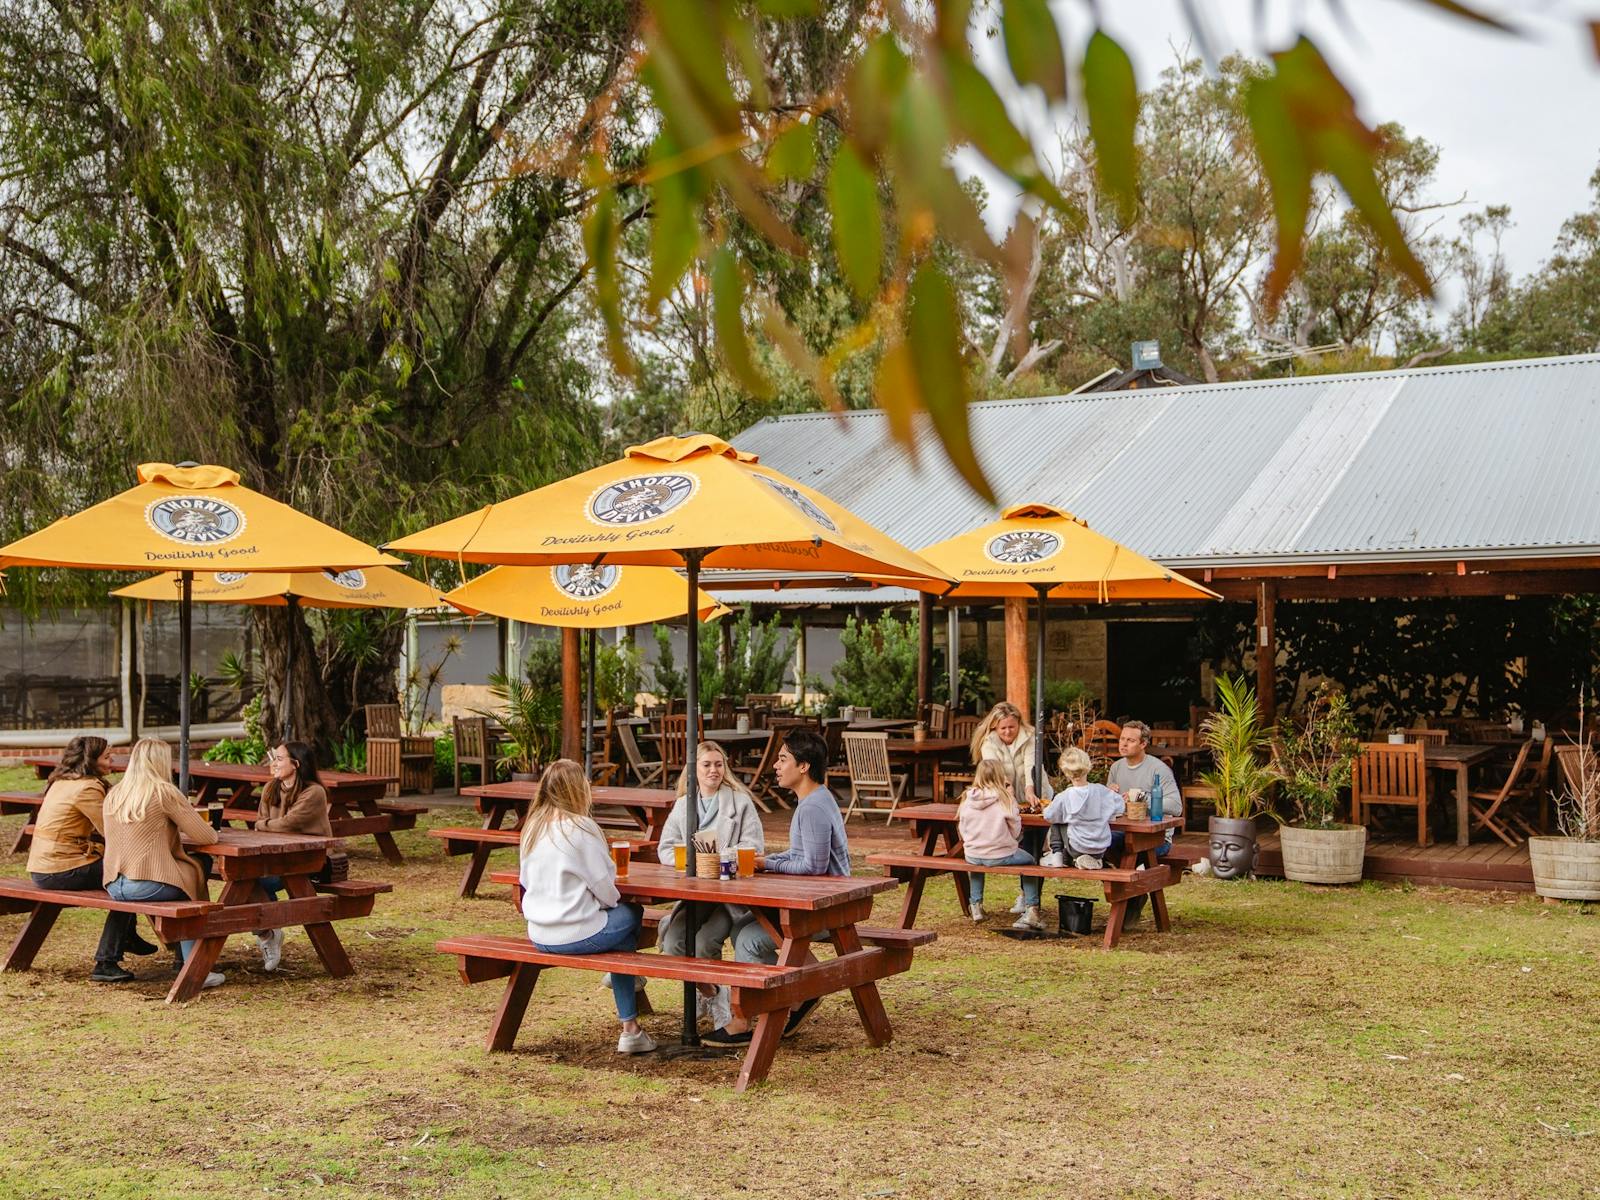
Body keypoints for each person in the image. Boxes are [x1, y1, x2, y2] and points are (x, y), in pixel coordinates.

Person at [706, 727, 846, 1045]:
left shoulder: (811, 808)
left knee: (750, 941)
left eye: (783, 759)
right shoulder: (816, 800)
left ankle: (749, 1021)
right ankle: (801, 995)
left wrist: (767, 864)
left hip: (825, 908)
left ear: (804, 766)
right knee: (743, 929)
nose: (776, 766)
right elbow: (801, 856)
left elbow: (812, 867)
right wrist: (766, 859)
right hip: (818, 902)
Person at [518, 758, 655, 1055]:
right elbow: (606, 887)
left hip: (539, 934)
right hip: (577, 932)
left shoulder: (532, 828)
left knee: (621, 935)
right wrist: (607, 904)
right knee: (632, 915)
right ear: (577, 789)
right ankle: (629, 1024)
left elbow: (525, 881)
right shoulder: (581, 827)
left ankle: (626, 989)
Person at [26, 735, 157, 982]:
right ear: (91, 761)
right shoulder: (87, 788)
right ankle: (106, 961)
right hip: (61, 869)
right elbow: (113, 830)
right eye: (107, 757)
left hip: (44, 867)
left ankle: (126, 936)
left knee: (124, 875)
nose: (112, 761)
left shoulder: (62, 781)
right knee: (126, 882)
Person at [656, 741, 765, 1030]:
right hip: (695, 894)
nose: (714, 770)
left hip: (729, 898)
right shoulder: (683, 805)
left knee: (703, 944)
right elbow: (665, 848)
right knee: (673, 944)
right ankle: (713, 992)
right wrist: (692, 864)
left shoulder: (740, 802)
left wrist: (722, 861)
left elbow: (753, 847)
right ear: (694, 770)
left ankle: (719, 1002)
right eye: (707, 765)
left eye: (719, 764)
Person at [102, 737, 223, 989]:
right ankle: (193, 965)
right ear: (160, 762)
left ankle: (186, 959)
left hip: (115, 884)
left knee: (187, 876)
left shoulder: (115, 793)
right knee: (193, 879)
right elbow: (207, 836)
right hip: (146, 883)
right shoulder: (163, 792)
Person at [250, 741, 335, 972]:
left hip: (308, 863)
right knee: (244, 880)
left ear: (296, 764)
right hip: (275, 859)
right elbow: (264, 825)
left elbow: (288, 824)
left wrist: (265, 825)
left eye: (279, 758)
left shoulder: (314, 792)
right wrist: (266, 825)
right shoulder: (270, 788)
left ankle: (269, 931)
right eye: (274, 757)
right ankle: (269, 933)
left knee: (251, 882)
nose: (274, 763)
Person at [969, 701, 1054, 912]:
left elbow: (1030, 765)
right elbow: (996, 772)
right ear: (995, 728)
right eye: (1003, 728)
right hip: (1006, 796)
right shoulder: (989, 742)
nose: (1008, 731)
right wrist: (1008, 794)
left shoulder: (1030, 736)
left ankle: (1028, 897)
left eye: (1012, 727)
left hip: (1034, 793)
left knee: (1033, 845)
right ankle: (1028, 898)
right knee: (1021, 845)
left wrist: (1029, 789)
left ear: (1019, 724)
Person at [958, 759, 1044, 931]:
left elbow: (962, 827)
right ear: (1000, 776)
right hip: (1000, 854)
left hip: (972, 853)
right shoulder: (1005, 799)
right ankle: (1031, 909)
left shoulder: (968, 798)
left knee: (976, 864)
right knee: (1030, 862)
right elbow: (1015, 830)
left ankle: (976, 905)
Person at [1104, 720, 1183, 861]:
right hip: (1124, 832)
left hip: (1156, 838)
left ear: (1143, 744)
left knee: (1113, 845)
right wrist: (1107, 795)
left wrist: (1142, 797)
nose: (1124, 744)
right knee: (1098, 840)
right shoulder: (1116, 768)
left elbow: (1176, 807)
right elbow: (1112, 808)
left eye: (1130, 740)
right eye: (1122, 739)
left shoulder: (1159, 770)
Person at [1041, 747, 1126, 871]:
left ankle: (1057, 855)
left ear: (1066, 772)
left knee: (1058, 820)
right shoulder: (1101, 791)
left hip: (1077, 847)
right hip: (1100, 848)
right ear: (1088, 767)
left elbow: (1049, 816)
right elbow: (1120, 807)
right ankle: (1087, 859)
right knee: (1064, 818)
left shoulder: (1064, 796)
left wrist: (1046, 808)